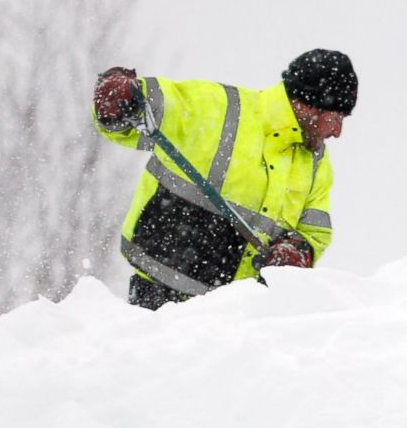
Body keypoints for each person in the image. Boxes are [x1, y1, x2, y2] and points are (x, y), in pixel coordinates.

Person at [92, 49, 356, 309]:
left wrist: (297, 250)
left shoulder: (316, 163)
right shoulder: (219, 108)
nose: (337, 131)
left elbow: (315, 232)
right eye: (334, 118)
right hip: (161, 301)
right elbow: (149, 107)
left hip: (237, 316)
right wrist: (120, 96)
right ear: (307, 105)